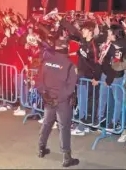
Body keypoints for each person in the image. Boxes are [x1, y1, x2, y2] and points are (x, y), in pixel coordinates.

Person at [35, 38, 79, 168]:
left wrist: (45, 95)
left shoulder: (46, 61)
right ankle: (66, 157)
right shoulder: (70, 65)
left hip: (49, 99)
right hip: (62, 101)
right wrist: (58, 99)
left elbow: (39, 80)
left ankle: (41, 148)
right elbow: (70, 88)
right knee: (64, 127)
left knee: (47, 123)